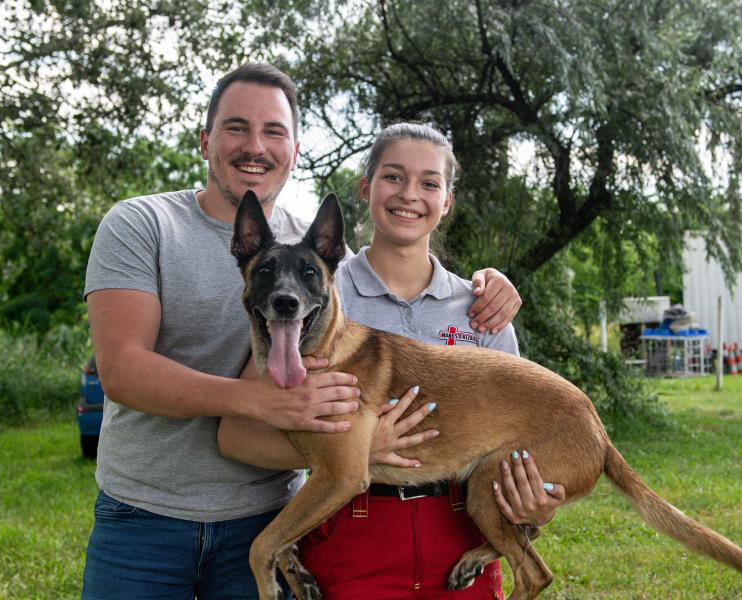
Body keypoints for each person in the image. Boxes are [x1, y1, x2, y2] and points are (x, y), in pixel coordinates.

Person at [81, 64, 522, 599]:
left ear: (293, 149)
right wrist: (259, 401)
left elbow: (399, 268)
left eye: (274, 132)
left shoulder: (319, 262)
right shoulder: (143, 224)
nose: (255, 146)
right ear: (205, 140)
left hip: (269, 510)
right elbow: (122, 371)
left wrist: (491, 283)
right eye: (236, 128)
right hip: (146, 516)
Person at [218, 123, 567, 599]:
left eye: (429, 183)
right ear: (366, 189)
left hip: (459, 531)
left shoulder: (484, 308)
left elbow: (517, 445)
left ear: (447, 202)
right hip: (350, 539)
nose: (409, 194)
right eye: (393, 177)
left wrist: (537, 505)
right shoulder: (314, 299)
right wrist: (360, 452)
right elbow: (238, 434)